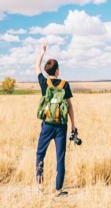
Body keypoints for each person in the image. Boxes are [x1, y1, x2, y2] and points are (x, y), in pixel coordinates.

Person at [35, 42, 76, 197]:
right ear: (57, 70)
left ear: (47, 70)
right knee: (60, 157)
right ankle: (58, 189)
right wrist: (73, 126)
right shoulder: (65, 84)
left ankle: (40, 186)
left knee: (40, 154)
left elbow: (36, 66)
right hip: (61, 126)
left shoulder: (44, 82)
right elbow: (70, 106)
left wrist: (42, 51)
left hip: (47, 125)